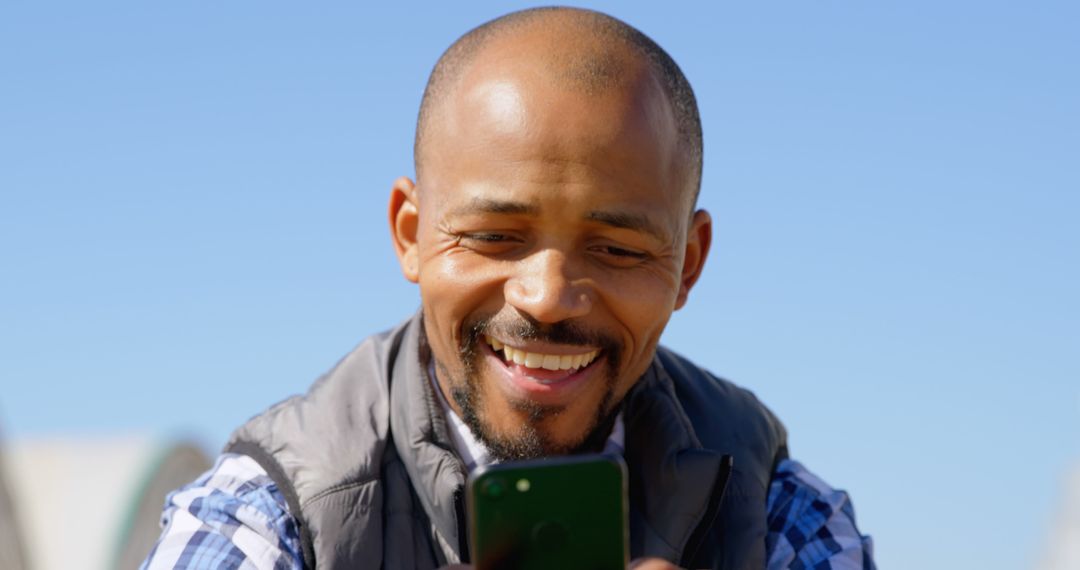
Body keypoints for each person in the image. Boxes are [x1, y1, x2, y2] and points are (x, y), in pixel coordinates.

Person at [142, 7, 874, 570]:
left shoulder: (773, 514)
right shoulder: (268, 513)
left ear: (687, 264)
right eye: (494, 236)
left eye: (616, 247)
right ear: (410, 233)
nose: (548, 295)